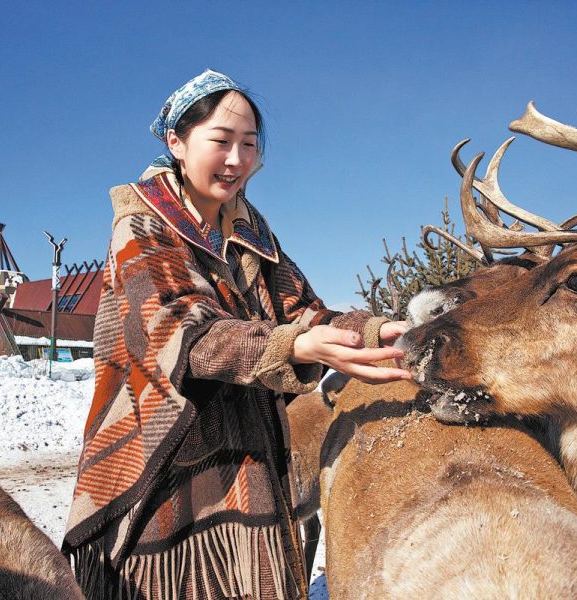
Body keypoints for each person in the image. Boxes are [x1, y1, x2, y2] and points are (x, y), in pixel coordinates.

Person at [62, 69, 411, 600]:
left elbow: (306, 311)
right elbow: (182, 329)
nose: (236, 160)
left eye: (249, 145)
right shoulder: (142, 225)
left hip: (249, 455)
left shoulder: (250, 232)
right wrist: (289, 345)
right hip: (163, 459)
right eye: (221, 141)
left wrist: (378, 330)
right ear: (177, 143)